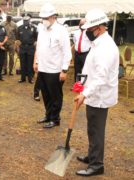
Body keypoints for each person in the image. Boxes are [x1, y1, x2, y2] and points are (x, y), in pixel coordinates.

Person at [74, 9, 119, 177]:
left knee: (96, 130)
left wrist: (85, 94)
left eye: (90, 30)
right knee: (91, 128)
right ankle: (92, 156)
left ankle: (97, 164)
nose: (87, 33)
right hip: (93, 93)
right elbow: (90, 69)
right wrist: (81, 86)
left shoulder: (105, 47)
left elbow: (101, 77)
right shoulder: (98, 43)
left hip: (99, 96)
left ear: (99, 28)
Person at [34, 3, 72, 128]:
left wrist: (64, 70)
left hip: (55, 70)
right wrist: (37, 62)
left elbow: (67, 52)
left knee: (55, 96)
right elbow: (39, 48)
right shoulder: (42, 30)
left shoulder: (61, 31)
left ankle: (55, 119)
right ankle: (48, 115)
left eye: (46, 18)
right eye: (43, 18)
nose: (43, 20)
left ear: (53, 17)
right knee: (45, 94)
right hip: (43, 69)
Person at [17, 14, 37, 84]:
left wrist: (35, 43)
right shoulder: (19, 28)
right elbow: (17, 38)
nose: (25, 22)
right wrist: (18, 46)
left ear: (29, 21)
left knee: (30, 63)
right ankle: (22, 78)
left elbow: (36, 37)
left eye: (27, 21)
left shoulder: (33, 28)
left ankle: (30, 78)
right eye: (24, 21)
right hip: (22, 47)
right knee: (22, 63)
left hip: (30, 48)